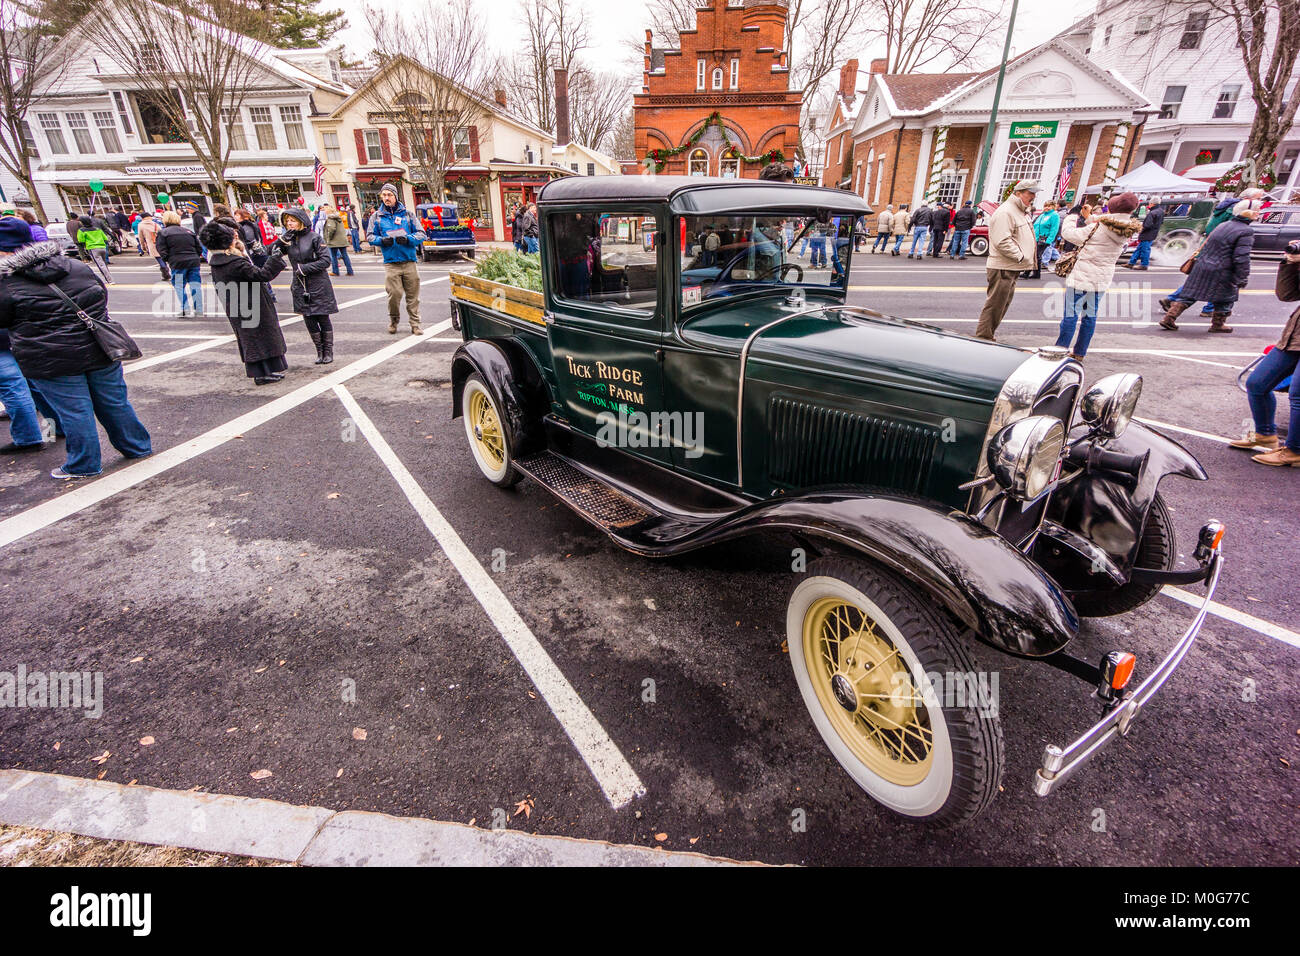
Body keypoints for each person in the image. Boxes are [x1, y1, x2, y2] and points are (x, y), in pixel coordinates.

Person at [0, 220, 151, 479]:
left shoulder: (8, 283)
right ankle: (136, 446)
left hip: (51, 356)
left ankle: (84, 464)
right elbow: (100, 296)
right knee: (114, 403)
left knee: (74, 411)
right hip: (99, 346)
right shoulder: (75, 266)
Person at [1230, 246, 1300, 466]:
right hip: (1293, 337)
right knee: (1257, 383)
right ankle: (1265, 435)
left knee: (1298, 396)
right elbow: (1287, 294)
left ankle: (1295, 451)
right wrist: (1291, 263)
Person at [1052, 191, 1141, 359]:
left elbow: (1070, 234)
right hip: (1102, 278)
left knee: (1070, 315)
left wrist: (1072, 217)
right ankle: (1079, 352)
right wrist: (1091, 217)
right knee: (1089, 317)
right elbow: (1105, 223)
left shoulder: (1098, 228)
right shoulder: (1126, 229)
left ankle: (1060, 349)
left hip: (1082, 276)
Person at [201, 220, 290, 384]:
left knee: (253, 338)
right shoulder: (234, 262)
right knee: (259, 338)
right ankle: (261, 374)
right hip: (250, 303)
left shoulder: (219, 260)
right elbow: (262, 275)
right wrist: (276, 257)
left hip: (239, 304)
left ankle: (265, 371)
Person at [1158, 198, 1260, 333]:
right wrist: (1242, 276)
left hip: (1203, 265)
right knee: (1225, 299)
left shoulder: (1223, 225)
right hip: (1223, 269)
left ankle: (1169, 318)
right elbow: (1241, 257)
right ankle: (1218, 324)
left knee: (1190, 294)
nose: (1259, 213)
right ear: (1249, 213)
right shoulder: (1245, 231)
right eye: (1257, 211)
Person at [976, 180, 1038, 341]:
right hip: (1004, 265)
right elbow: (1002, 240)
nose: (1033, 196)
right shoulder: (1006, 212)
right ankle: (983, 337)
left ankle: (987, 335)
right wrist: (1020, 256)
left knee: (1001, 304)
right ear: (1018, 193)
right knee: (995, 305)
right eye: (1030, 193)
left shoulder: (1018, 211)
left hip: (1011, 265)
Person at [276, 207, 338, 365]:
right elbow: (273, 252)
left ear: (301, 221)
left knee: (322, 316)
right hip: (300, 285)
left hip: (318, 283)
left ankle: (328, 351)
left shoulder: (315, 238)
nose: (289, 224)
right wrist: (282, 240)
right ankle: (319, 350)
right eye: (287, 221)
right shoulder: (289, 239)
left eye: (292, 221)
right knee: (308, 318)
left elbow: (325, 260)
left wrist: (304, 268)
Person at [367, 182, 426, 335]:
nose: (386, 198)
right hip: (391, 262)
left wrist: (408, 239)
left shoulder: (407, 214)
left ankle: (415, 324)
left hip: (409, 261)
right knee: (394, 295)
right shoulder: (377, 217)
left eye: (389, 195)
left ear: (395, 196)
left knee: (413, 296)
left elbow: (421, 234)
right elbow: (370, 236)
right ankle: (394, 320)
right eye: (384, 195)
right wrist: (381, 241)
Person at [155, 210, 204, 316]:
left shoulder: (163, 233)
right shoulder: (188, 232)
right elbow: (198, 247)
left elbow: (161, 249)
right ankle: (199, 308)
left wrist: (168, 259)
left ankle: (185, 308)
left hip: (177, 261)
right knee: (195, 285)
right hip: (193, 260)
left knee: (179, 286)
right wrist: (196, 256)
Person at [1124, 201, 1164, 270]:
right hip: (1153, 233)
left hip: (1147, 234)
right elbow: (1161, 222)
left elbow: (1147, 225)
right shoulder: (1161, 211)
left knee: (1145, 250)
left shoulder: (1152, 213)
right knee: (1139, 249)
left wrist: (1140, 229)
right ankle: (1131, 263)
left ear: (1152, 204)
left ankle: (1144, 264)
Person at [74, 214, 112, 284]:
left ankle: (109, 280)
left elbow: (81, 240)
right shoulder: (98, 229)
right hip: (102, 247)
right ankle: (108, 277)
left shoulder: (82, 230)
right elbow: (105, 238)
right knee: (104, 264)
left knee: (100, 265)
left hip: (93, 248)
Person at [1027, 200, 1060, 279]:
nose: (1047, 208)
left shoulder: (1054, 215)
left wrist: (1049, 240)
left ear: (1053, 206)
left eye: (1049, 206)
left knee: (1036, 255)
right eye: (1045, 206)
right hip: (1036, 238)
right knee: (1033, 255)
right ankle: (1031, 273)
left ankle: (1033, 273)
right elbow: (1035, 225)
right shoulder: (1042, 215)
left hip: (1044, 239)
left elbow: (1054, 229)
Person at [322, 205, 355, 278]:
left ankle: (335, 271)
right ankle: (350, 271)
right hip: (341, 240)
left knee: (333, 256)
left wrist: (328, 239)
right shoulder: (338, 218)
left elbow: (331, 229)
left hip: (334, 241)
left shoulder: (331, 219)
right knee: (345, 256)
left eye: (325, 210)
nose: (324, 211)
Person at [137, 213, 168, 280]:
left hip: (151, 243)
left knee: (159, 259)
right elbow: (162, 232)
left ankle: (166, 273)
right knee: (163, 257)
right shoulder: (155, 224)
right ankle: (166, 272)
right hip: (161, 243)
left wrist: (143, 247)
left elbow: (141, 237)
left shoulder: (140, 225)